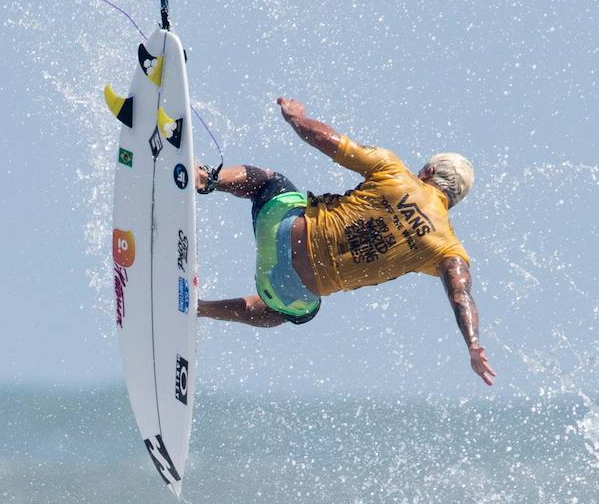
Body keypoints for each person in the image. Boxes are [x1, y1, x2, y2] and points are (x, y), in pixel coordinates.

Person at [196, 96, 496, 386]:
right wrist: (473, 343)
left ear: (428, 171)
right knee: (294, 311)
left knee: (268, 181)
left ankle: (204, 178)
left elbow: (323, 138)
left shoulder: (395, 172)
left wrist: (296, 118)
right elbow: (462, 295)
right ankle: (200, 309)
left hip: (281, 231)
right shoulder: (447, 247)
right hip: (284, 288)